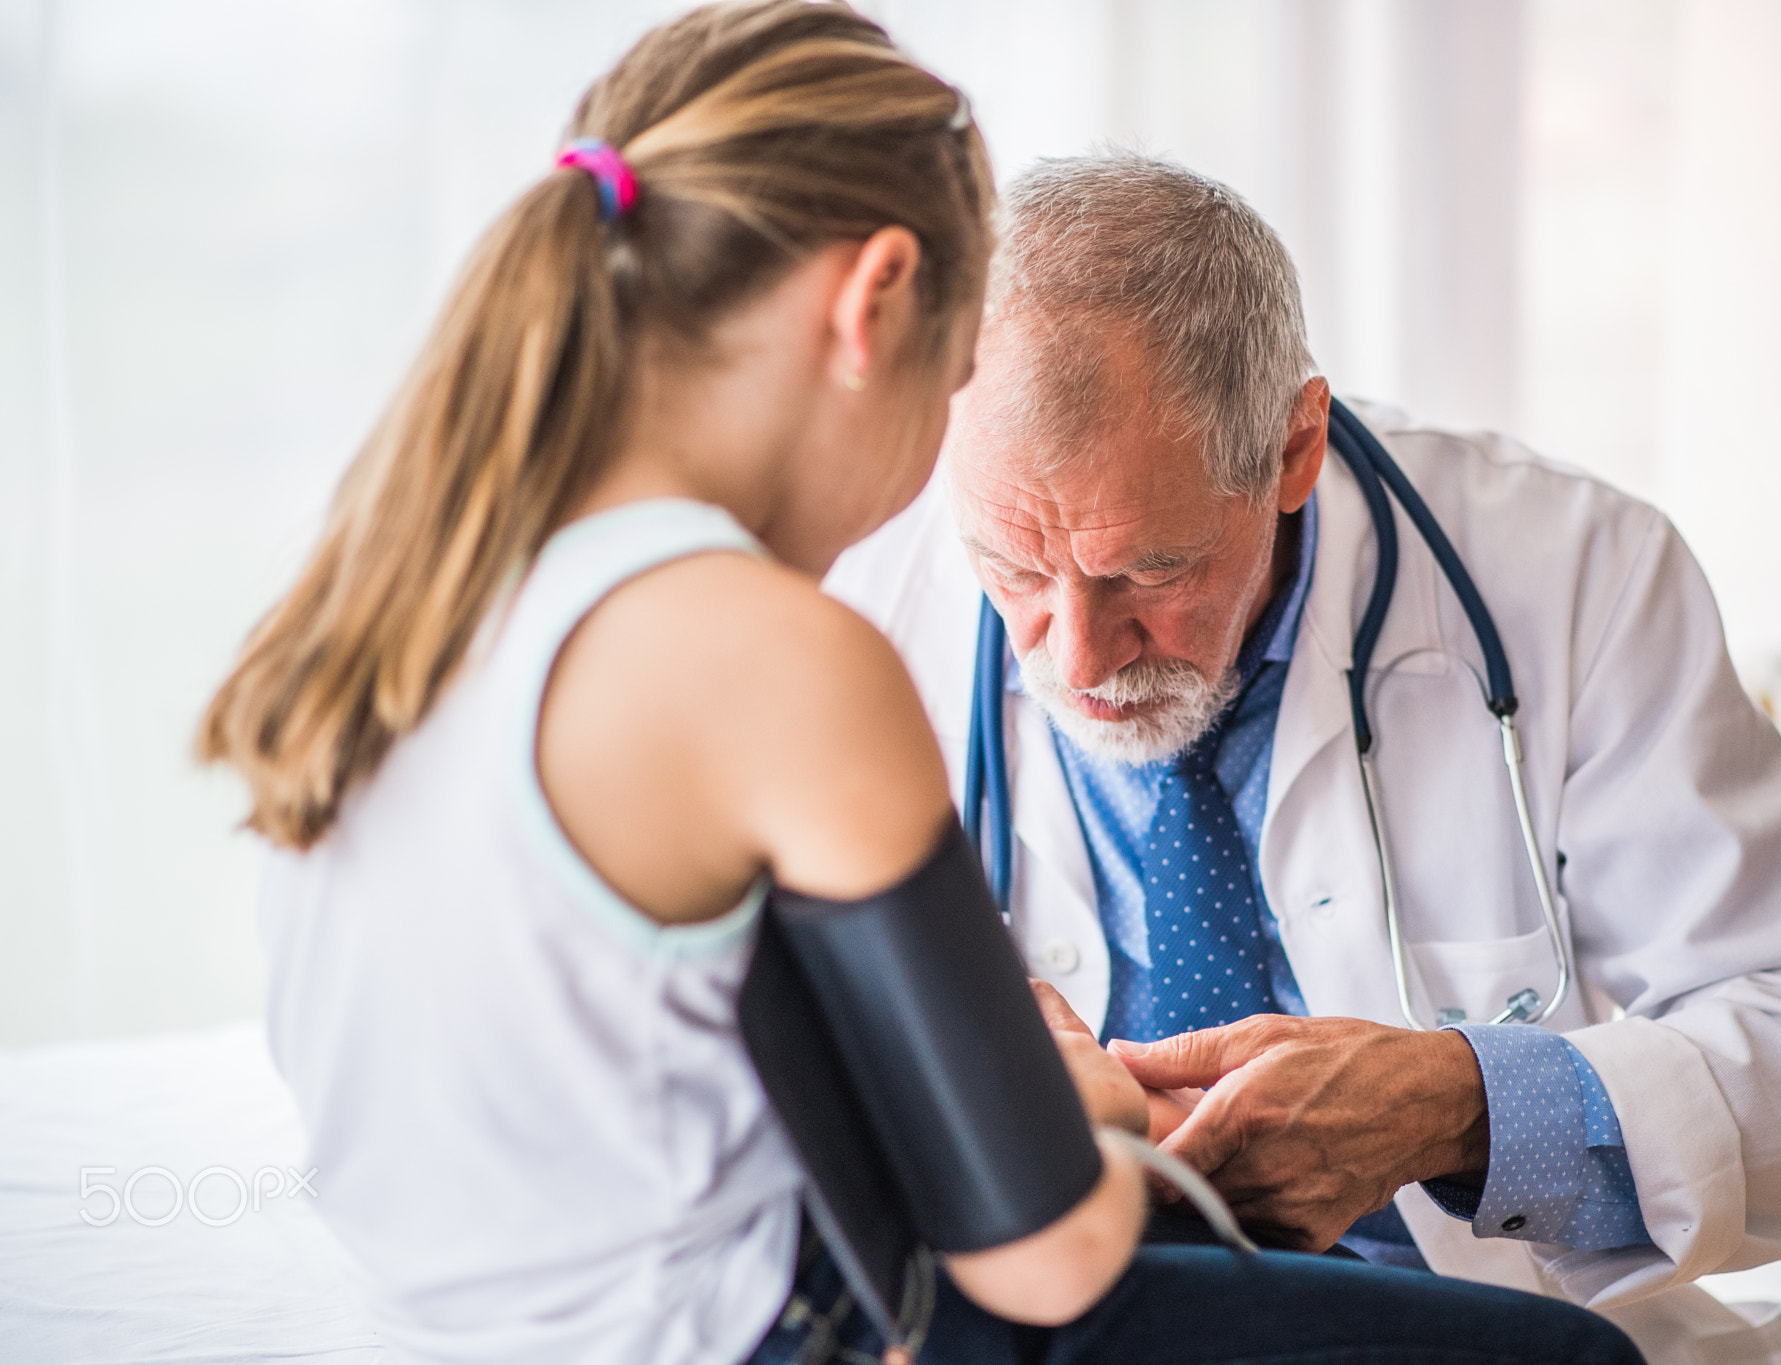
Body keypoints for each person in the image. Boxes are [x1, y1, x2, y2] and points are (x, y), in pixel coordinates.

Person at [198, 4, 1645, 1364]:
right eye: (954, 374)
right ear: (875, 301)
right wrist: (1071, 1096)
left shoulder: (395, 600)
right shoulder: (770, 649)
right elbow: (1046, 1258)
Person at [825, 153, 1781, 1361]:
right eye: (1016, 574)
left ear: (1295, 447)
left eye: (1151, 572)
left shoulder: (1573, 572)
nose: (1078, 655)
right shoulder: (849, 607)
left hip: (1501, 1328)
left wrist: (1469, 1106)